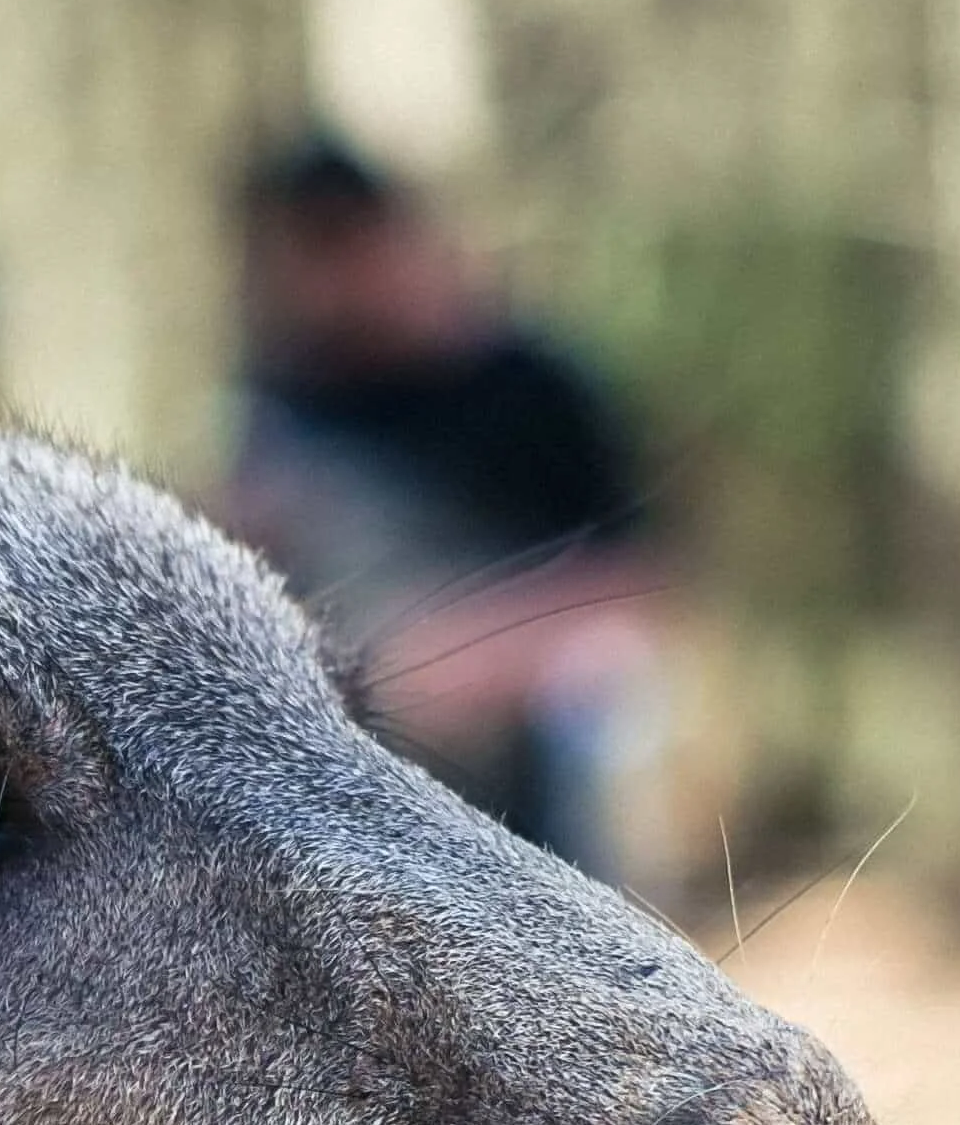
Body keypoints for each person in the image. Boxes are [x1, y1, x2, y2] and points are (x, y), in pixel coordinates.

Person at [222, 133, 659, 879]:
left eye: (339, 247)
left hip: (539, 698)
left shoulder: (537, 387)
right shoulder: (290, 396)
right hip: (366, 697)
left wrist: (470, 651)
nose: (322, 286)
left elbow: (636, 587)